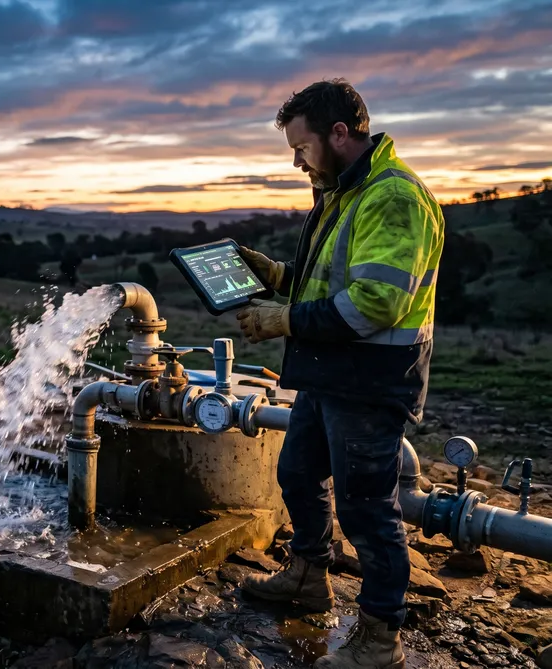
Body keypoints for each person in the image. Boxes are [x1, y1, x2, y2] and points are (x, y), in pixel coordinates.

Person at [233, 79, 444, 669]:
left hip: (371, 380)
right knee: (297, 473)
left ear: (340, 133)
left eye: (302, 148)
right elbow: (333, 280)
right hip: (331, 373)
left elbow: (376, 303)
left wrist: (282, 320)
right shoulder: (344, 190)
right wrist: (277, 276)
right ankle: (307, 577)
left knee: (367, 510)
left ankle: (380, 638)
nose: (297, 162)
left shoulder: (393, 197)